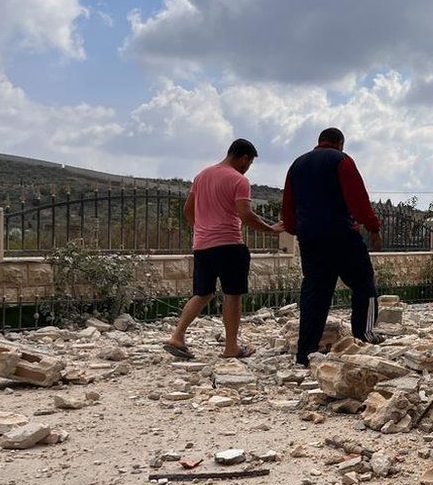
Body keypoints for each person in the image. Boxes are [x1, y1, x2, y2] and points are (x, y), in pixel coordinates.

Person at [164, 138, 282, 360]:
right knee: (233, 295)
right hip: (229, 245)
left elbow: (188, 210)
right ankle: (231, 347)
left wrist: (202, 229)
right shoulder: (239, 180)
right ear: (244, 158)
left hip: (202, 246)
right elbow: (245, 215)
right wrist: (271, 229)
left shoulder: (202, 176)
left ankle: (177, 337)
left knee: (202, 293)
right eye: (249, 164)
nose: (247, 169)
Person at [281, 127, 384, 367]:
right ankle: (363, 337)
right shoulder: (342, 161)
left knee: (315, 292)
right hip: (341, 235)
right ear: (340, 143)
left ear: (319, 141)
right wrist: (373, 228)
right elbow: (357, 198)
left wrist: (297, 228)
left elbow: (288, 205)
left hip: (310, 239)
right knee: (364, 285)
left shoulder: (296, 165)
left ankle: (306, 351)